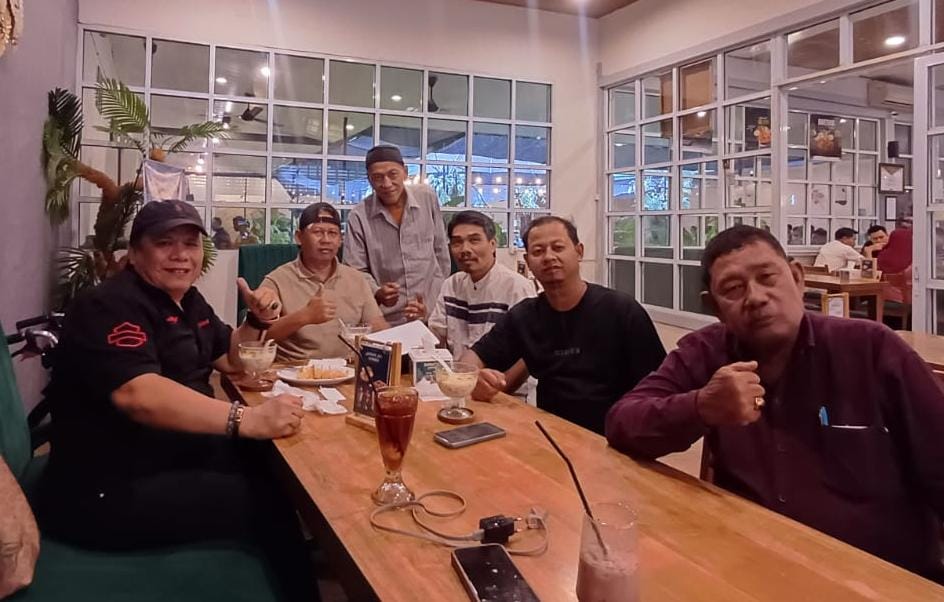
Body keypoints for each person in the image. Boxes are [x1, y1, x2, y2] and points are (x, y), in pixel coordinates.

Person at [605, 225, 944, 583]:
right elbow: (623, 421)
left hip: (878, 579)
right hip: (750, 566)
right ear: (715, 307)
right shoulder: (707, 351)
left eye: (768, 277)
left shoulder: (871, 349)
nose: (755, 297)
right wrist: (701, 407)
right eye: (733, 289)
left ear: (797, 278)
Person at [38, 200, 314, 600]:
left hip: (166, 456)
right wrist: (246, 419)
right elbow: (138, 393)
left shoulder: (189, 301)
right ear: (135, 253)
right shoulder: (110, 304)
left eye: (190, 243)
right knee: (265, 502)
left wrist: (255, 320)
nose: (180, 254)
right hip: (102, 490)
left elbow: (231, 358)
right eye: (164, 243)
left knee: (270, 464)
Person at [460, 216, 666, 434]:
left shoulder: (620, 310)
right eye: (538, 251)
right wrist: (475, 378)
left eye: (558, 248)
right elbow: (471, 360)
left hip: (615, 437)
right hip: (553, 435)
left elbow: (662, 386)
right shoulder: (524, 316)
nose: (549, 257)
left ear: (579, 252)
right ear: (528, 261)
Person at [261, 202, 388, 361]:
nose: (326, 240)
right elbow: (258, 336)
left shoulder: (357, 279)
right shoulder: (277, 280)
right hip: (295, 369)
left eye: (332, 233)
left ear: (340, 240)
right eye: (318, 232)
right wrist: (304, 316)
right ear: (299, 237)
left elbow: (379, 329)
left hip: (348, 369)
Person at [343, 144, 450, 325]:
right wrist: (377, 291)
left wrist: (437, 302)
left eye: (393, 174)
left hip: (431, 312)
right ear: (369, 180)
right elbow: (355, 270)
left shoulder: (427, 198)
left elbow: (440, 251)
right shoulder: (359, 216)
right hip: (386, 319)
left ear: (405, 173)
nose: (386, 184)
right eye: (378, 177)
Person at [428, 210, 535, 358]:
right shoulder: (451, 285)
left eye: (474, 240)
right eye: (457, 242)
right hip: (458, 371)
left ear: (492, 244)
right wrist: (421, 319)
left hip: (500, 373)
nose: (465, 249)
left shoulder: (516, 287)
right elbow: (436, 337)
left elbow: (529, 351)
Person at [877, 223, 914, 304]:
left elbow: (873, 274)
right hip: (911, 299)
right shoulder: (915, 258)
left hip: (885, 297)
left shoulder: (883, 255)